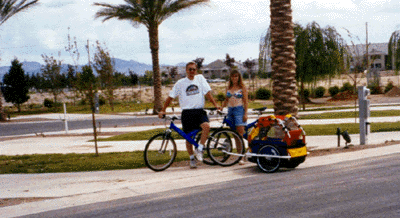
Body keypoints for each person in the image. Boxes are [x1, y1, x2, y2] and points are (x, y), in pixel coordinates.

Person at [158, 61, 221, 168]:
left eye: (194, 69)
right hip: (187, 113)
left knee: (206, 127)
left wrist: (216, 105)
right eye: (190, 69)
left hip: (199, 111)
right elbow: (170, 97)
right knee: (188, 138)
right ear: (186, 71)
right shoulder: (180, 83)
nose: (192, 71)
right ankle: (192, 159)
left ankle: (200, 149)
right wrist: (163, 110)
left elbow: (208, 93)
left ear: (196, 70)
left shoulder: (200, 79)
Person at [221, 70, 248, 164]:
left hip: (239, 110)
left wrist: (245, 113)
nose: (234, 78)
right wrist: (221, 107)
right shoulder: (229, 87)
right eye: (233, 76)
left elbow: (245, 101)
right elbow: (226, 99)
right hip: (230, 110)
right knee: (235, 135)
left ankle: (242, 156)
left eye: (236, 76)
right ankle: (239, 154)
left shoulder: (242, 87)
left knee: (240, 134)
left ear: (239, 77)